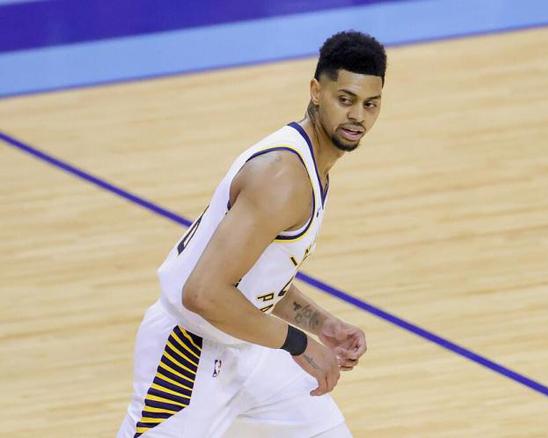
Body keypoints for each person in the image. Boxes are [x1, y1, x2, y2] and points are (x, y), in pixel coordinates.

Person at [117, 30, 387, 438]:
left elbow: (255, 279)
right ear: (316, 92)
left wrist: (323, 325)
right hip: (189, 350)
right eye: (345, 100)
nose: (358, 117)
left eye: (370, 104)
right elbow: (203, 294)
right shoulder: (282, 177)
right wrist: (300, 344)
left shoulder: (312, 165)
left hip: (249, 344)